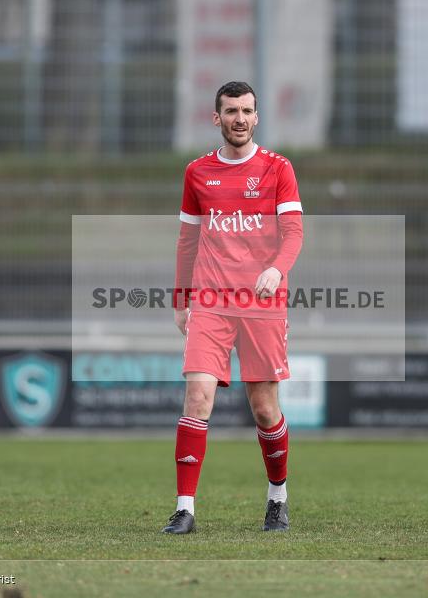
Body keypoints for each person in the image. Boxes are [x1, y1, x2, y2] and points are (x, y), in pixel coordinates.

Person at [163, 81, 304, 534]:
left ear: (257, 117)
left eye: (246, 111)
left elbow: (294, 233)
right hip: (211, 301)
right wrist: (181, 299)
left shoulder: (278, 168)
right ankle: (185, 509)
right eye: (230, 111)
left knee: (264, 409)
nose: (239, 118)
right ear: (216, 117)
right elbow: (187, 241)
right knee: (198, 396)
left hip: (262, 304)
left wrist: (276, 270)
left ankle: (277, 497)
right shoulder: (197, 173)